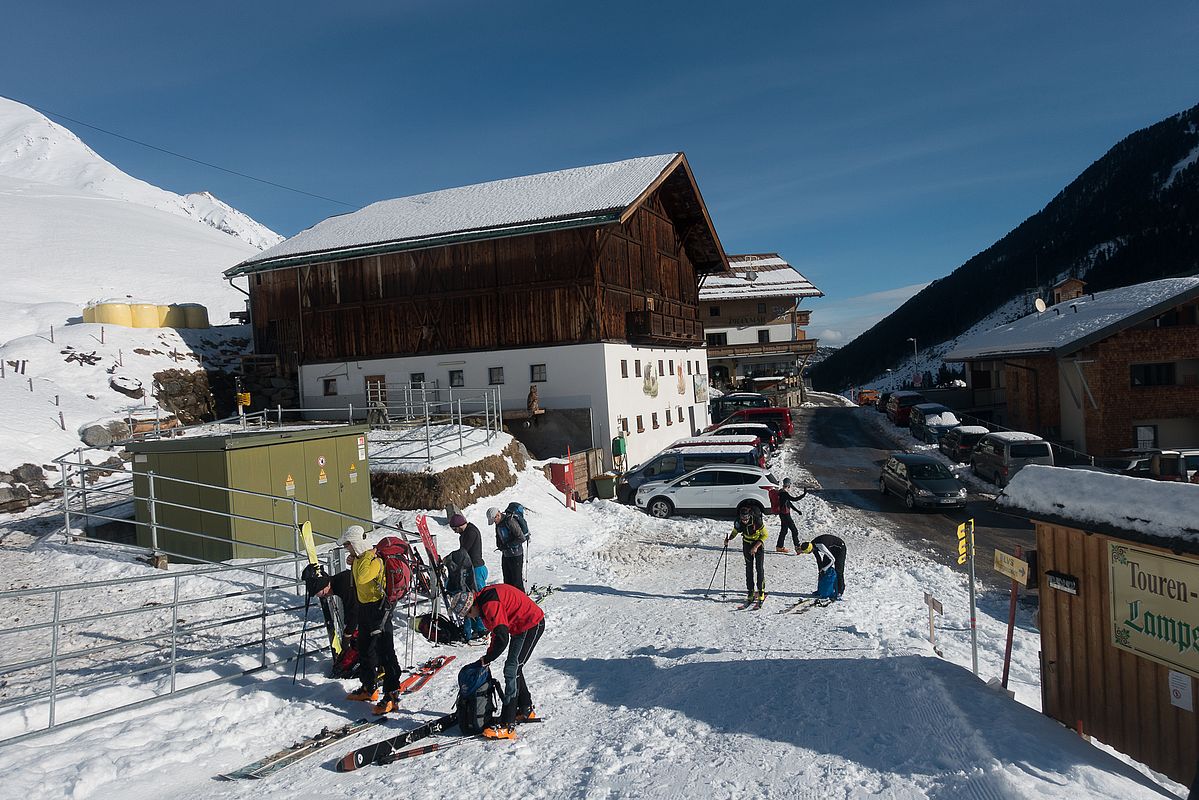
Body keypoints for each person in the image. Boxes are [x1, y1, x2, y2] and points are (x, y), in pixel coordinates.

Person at [451, 583, 545, 740]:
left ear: (471, 605)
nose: (470, 617)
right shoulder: (483, 601)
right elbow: (497, 631)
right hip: (519, 626)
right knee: (514, 668)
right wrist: (487, 657)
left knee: (512, 669)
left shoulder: (488, 604)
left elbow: (502, 638)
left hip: (531, 624)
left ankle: (507, 725)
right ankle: (525, 709)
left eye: (468, 614)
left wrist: (488, 658)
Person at [339, 524, 403, 714]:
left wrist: (361, 558)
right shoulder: (360, 558)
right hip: (365, 608)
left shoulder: (373, 559)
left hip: (379, 608)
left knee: (385, 651)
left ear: (356, 543)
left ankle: (392, 694)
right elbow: (358, 574)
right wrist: (355, 560)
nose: (346, 549)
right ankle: (369, 687)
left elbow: (362, 578)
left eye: (348, 545)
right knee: (365, 647)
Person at [304, 567, 362, 679]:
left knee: (362, 642)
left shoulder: (343, 585)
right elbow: (349, 610)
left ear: (326, 586)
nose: (323, 596)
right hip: (368, 607)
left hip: (374, 607)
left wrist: (347, 634)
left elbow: (354, 611)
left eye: (321, 594)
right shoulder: (338, 582)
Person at [450, 513, 488, 641]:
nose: (455, 532)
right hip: (471, 569)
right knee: (472, 598)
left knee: (479, 597)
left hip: (477, 568)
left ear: (460, 525)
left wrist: (450, 558)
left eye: (455, 529)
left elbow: (463, 551)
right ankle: (476, 627)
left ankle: (484, 627)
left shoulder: (471, 532)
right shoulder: (464, 533)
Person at [725, 505, 769, 604]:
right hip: (746, 544)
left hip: (758, 544)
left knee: (759, 568)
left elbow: (765, 534)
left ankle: (761, 591)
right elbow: (735, 531)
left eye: (746, 518)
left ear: (749, 516)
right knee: (749, 569)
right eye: (742, 518)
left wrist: (756, 547)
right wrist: (729, 539)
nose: (744, 520)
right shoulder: (738, 521)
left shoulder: (757, 521)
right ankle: (750, 591)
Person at [488, 505, 528, 592]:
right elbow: (499, 536)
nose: (494, 522)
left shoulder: (510, 521)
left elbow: (521, 538)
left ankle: (522, 600)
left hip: (516, 555)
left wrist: (508, 545)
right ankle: (511, 600)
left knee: (516, 581)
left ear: (498, 515)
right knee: (507, 580)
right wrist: (500, 545)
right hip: (506, 554)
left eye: (494, 520)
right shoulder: (498, 523)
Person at [798, 533, 847, 599]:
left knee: (839, 570)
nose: (810, 553)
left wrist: (824, 568)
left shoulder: (821, 546)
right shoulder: (812, 545)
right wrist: (821, 570)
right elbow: (818, 559)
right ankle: (822, 590)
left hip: (840, 548)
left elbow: (832, 559)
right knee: (824, 567)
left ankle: (840, 592)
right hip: (831, 548)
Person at [774, 477, 806, 553]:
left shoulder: (781, 492)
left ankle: (779, 547)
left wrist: (797, 511)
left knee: (784, 530)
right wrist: (804, 494)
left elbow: (789, 503)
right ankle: (798, 548)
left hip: (782, 514)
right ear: (789, 485)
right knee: (794, 530)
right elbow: (794, 499)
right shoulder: (784, 493)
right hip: (785, 515)